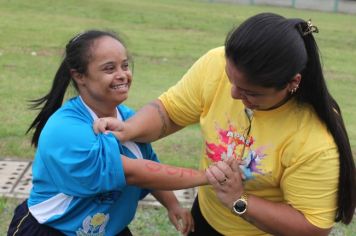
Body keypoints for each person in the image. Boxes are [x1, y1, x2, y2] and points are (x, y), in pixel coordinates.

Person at [93, 13, 356, 235]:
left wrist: (238, 201)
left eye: (250, 93)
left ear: (292, 83)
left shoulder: (314, 139)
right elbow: (170, 111)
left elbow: (312, 227)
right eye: (230, 79)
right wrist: (130, 128)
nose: (232, 95)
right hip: (205, 218)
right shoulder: (215, 63)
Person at [7, 30, 210, 236]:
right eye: (109, 68)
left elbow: (149, 163)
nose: (122, 74)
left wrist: (172, 204)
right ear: (79, 76)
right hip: (53, 230)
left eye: (125, 65)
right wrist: (206, 176)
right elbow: (135, 172)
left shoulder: (129, 119)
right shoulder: (65, 128)